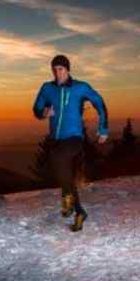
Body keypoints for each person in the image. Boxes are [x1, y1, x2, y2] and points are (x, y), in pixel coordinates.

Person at [32, 54, 109, 232]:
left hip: (74, 138)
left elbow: (99, 102)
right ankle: (79, 212)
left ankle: (66, 196)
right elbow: (36, 108)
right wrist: (44, 113)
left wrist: (103, 128)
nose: (57, 73)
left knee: (57, 157)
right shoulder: (47, 88)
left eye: (61, 69)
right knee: (63, 172)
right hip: (56, 139)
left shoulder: (80, 87)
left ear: (68, 69)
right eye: (54, 69)